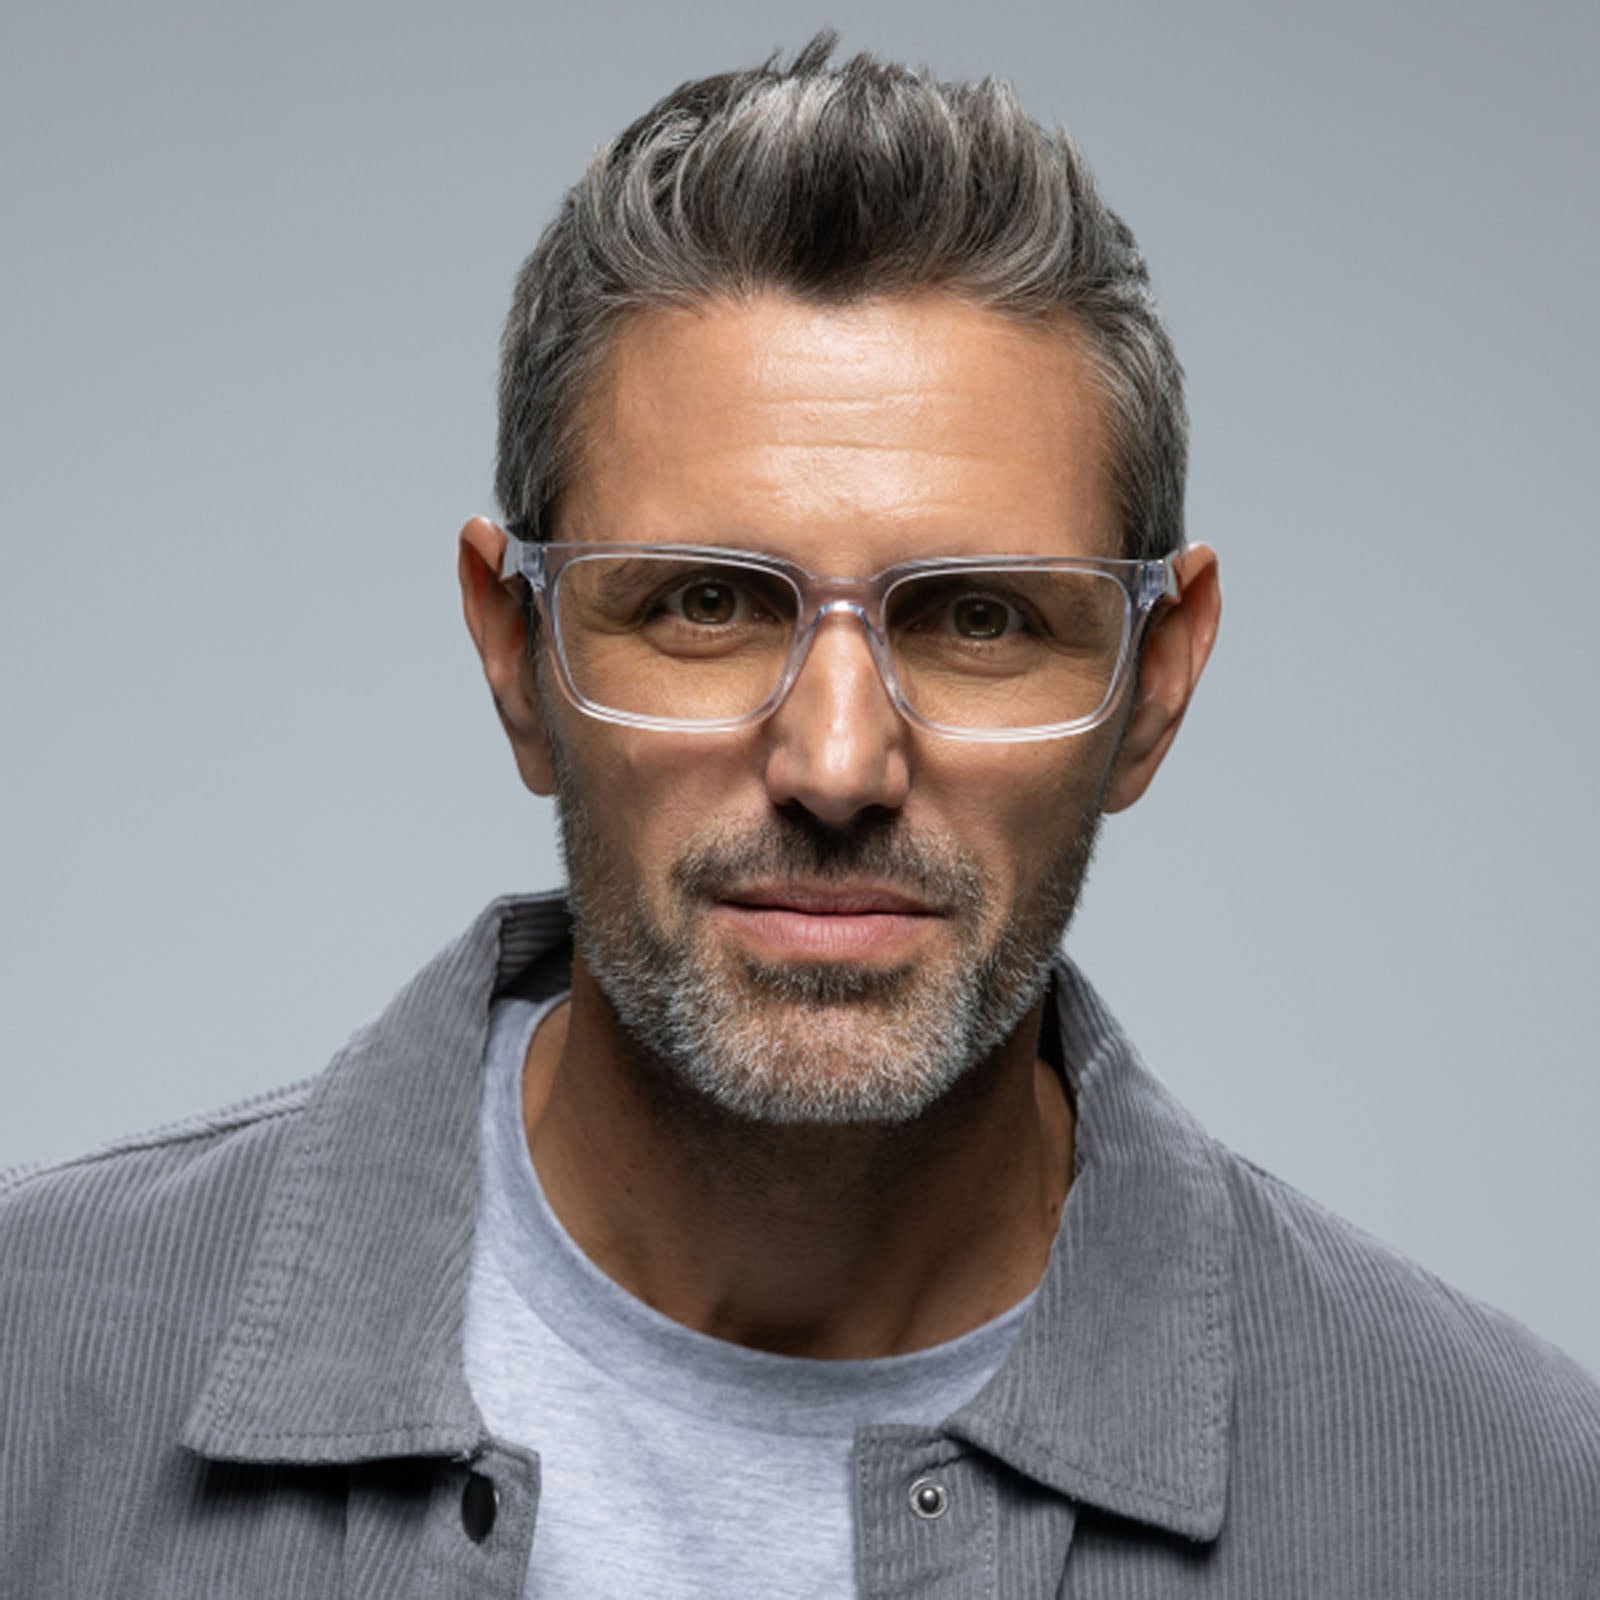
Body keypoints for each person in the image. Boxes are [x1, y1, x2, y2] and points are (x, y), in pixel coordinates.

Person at [3, 36, 1597, 1598]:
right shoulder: (36, 1376)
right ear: (516, 653)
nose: (838, 764)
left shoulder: (1523, 1515)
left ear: (1155, 682)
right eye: (706, 604)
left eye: (977, 619)